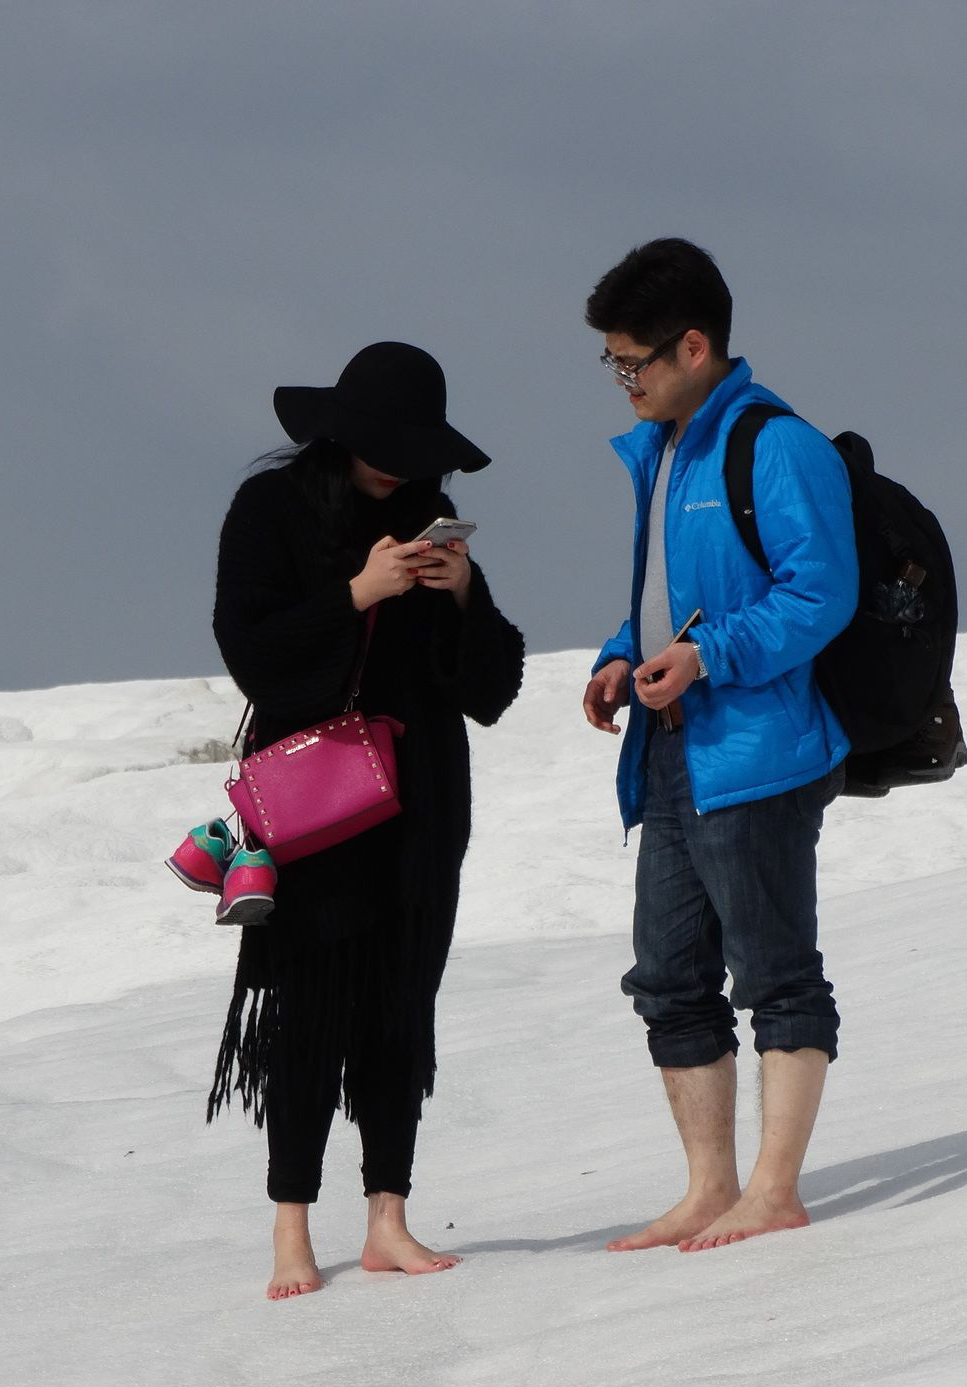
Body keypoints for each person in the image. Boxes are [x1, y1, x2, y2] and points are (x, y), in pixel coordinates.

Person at [206, 341, 525, 1299]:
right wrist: (356, 594)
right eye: (384, 445)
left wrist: (462, 592)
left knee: (400, 1002)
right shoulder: (271, 509)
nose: (399, 463)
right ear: (339, 433)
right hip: (317, 798)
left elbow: (493, 687)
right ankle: (291, 1228)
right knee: (308, 1006)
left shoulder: (432, 520)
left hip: (422, 794)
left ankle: (389, 1216)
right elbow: (250, 650)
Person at [581, 239, 857, 1252]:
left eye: (633, 363)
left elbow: (820, 593)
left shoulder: (774, 446)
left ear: (692, 346)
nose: (624, 383)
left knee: (775, 971)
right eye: (613, 364)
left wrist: (709, 661)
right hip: (671, 748)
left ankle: (773, 1190)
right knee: (667, 977)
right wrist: (623, 656)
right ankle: (710, 1186)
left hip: (757, 749)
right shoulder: (662, 450)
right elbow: (669, 597)